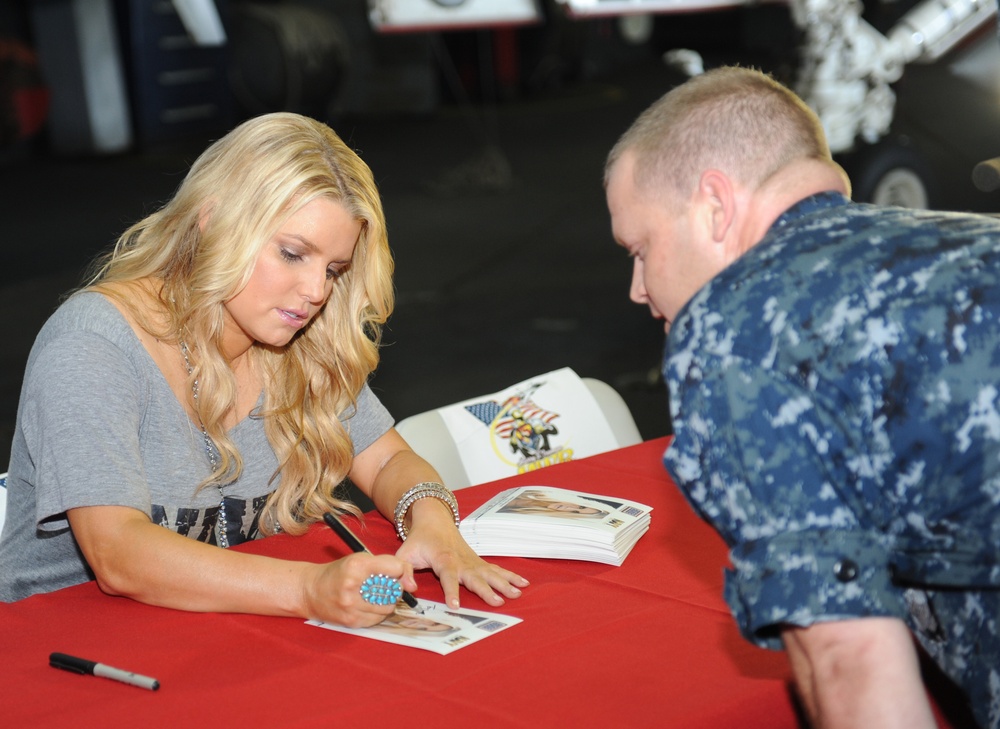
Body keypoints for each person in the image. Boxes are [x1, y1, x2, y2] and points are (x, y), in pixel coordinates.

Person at [0, 112, 528, 629]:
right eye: (294, 253)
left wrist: (433, 521)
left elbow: (390, 462)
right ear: (213, 224)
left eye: (334, 269)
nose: (317, 292)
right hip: (62, 649)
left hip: (212, 629)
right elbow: (118, 554)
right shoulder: (92, 343)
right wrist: (308, 590)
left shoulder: (298, 342)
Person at [604, 66, 1000, 728]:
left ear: (716, 206)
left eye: (640, 248)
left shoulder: (742, 329)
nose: (638, 289)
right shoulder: (970, 239)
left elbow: (849, 656)